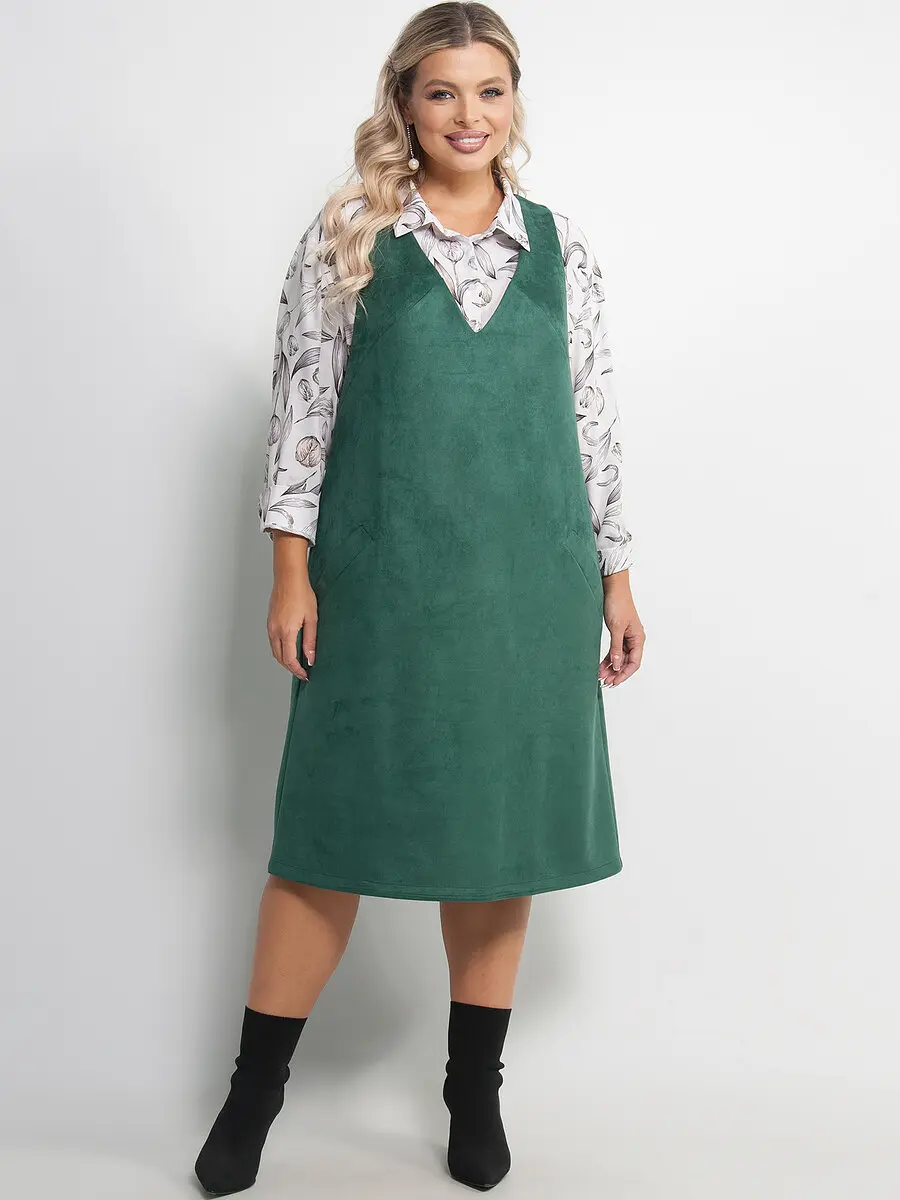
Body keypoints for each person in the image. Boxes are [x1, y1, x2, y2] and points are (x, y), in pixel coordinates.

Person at [195, 2, 646, 1194]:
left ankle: (472, 1091)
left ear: (515, 102)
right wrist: (290, 570)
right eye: (442, 90)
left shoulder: (562, 249)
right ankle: (253, 1094)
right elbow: (301, 413)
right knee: (325, 840)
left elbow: (593, 423)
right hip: (382, 586)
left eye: (490, 90)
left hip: (530, 587)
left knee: (499, 844)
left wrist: (617, 576)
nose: (467, 114)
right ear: (404, 102)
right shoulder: (350, 236)